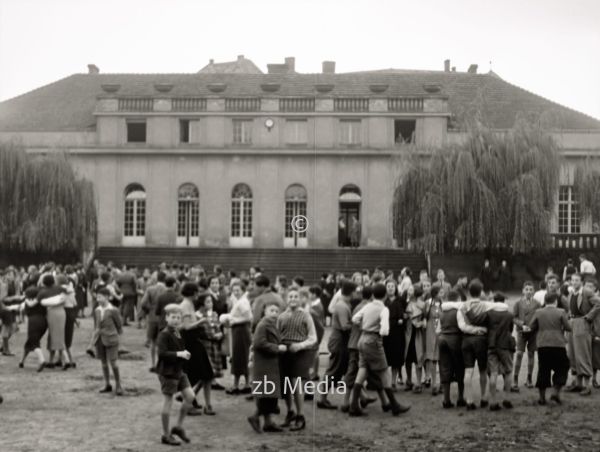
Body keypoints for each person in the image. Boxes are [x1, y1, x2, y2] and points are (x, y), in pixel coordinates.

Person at [349, 283, 410, 417]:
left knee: (363, 369)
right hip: (374, 340)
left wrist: (365, 326)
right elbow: (385, 330)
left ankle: (354, 405)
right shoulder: (384, 309)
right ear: (385, 295)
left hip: (362, 338)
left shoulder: (367, 306)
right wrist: (378, 332)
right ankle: (394, 405)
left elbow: (355, 319)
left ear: (373, 295)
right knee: (383, 372)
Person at [457, 279, 508, 410]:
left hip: (466, 340)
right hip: (481, 341)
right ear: (480, 293)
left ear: (469, 291)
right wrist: (481, 329)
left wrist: (472, 329)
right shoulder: (486, 305)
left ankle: (469, 400)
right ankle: (483, 397)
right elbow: (503, 307)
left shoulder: (462, 306)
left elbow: (461, 325)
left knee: (468, 371)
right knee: (483, 371)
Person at [277, 288, 317, 431]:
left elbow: (313, 338)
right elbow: (277, 335)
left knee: (296, 383)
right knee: (286, 385)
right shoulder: (281, 317)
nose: (293, 299)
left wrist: (300, 345)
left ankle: (301, 416)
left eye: (295, 296)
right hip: (285, 352)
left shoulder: (306, 315)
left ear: (300, 299)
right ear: (286, 299)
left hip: (300, 352)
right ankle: (290, 413)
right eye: (290, 296)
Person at [156, 303, 195, 446]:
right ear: (167, 318)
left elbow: (179, 349)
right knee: (168, 402)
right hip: (168, 372)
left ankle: (178, 427)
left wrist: (184, 355)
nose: (176, 320)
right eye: (173, 317)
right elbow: (162, 354)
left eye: (178, 317)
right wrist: (180, 354)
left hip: (178, 371)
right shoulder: (164, 334)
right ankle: (165, 435)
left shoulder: (177, 332)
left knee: (190, 396)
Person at [248, 302, 287, 433]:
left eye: (277, 311)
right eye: (272, 311)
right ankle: (255, 416)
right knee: (267, 395)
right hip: (264, 365)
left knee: (269, 393)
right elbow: (259, 343)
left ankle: (268, 423)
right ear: (265, 312)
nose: (275, 313)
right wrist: (277, 348)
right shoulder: (263, 325)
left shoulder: (272, 325)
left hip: (270, 364)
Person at [529, 293, 572, 405]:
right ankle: (555, 392)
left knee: (543, 370)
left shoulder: (538, 312)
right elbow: (568, 328)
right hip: (558, 344)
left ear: (545, 301)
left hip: (543, 344)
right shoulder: (561, 312)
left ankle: (542, 398)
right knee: (562, 367)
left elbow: (531, 326)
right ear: (555, 301)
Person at [178, 283, 214, 415]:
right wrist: (202, 321)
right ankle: (189, 403)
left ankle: (195, 402)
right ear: (192, 293)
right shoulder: (186, 305)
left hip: (192, 341)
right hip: (191, 342)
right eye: (196, 292)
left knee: (203, 374)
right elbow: (187, 326)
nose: (198, 295)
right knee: (199, 375)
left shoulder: (187, 304)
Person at [317, 281, 353, 410]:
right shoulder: (342, 306)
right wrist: (356, 323)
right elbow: (344, 326)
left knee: (344, 368)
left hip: (339, 340)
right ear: (351, 292)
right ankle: (322, 399)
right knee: (334, 369)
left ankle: (362, 397)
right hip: (339, 340)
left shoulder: (342, 304)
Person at [565, 274, 598, 395]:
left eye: (576, 280)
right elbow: (570, 309)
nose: (574, 282)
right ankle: (578, 384)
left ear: (581, 282)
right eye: (572, 280)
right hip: (572, 324)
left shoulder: (586, 292)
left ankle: (587, 386)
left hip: (582, 323)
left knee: (583, 353)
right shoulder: (571, 293)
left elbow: (598, 303)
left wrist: (589, 317)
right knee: (572, 354)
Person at [484, 293, 515, 411]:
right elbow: (511, 329)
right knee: (508, 371)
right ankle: (506, 398)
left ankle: (493, 401)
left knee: (493, 372)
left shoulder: (489, 314)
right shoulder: (509, 315)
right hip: (505, 345)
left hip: (491, 344)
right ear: (503, 301)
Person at [92, 287, 124, 395]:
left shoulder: (113, 310)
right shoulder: (97, 310)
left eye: (100, 297)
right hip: (100, 339)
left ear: (107, 297)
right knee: (103, 363)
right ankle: (107, 384)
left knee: (113, 363)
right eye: (97, 297)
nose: (98, 299)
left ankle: (118, 385)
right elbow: (96, 326)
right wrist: (93, 341)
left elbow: (119, 326)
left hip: (111, 339)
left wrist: (120, 341)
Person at [438, 291, 466, 408]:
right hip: (455, 340)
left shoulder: (442, 311)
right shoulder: (458, 310)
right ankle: (460, 398)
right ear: (458, 298)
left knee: (445, 368)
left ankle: (446, 399)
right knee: (459, 367)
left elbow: (438, 329)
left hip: (442, 339)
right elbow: (462, 327)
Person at [511, 281, 541, 391]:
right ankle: (515, 379)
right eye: (526, 289)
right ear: (523, 291)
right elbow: (513, 318)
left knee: (531, 354)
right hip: (521, 332)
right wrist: (522, 325)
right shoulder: (518, 303)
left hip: (533, 333)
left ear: (533, 291)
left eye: (531, 289)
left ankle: (529, 378)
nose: (528, 292)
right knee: (519, 354)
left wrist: (533, 327)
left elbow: (539, 316)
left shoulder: (537, 304)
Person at [224, 281, 253, 395]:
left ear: (242, 290)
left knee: (238, 356)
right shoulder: (240, 300)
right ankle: (246, 384)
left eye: (238, 290)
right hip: (240, 330)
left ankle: (236, 385)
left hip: (240, 330)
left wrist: (234, 320)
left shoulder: (242, 302)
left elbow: (248, 317)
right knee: (243, 356)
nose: (236, 292)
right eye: (234, 290)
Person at [39, 275, 71, 369]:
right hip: (61, 312)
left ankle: (66, 360)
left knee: (55, 336)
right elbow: (68, 292)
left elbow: (39, 301)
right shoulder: (60, 288)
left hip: (52, 313)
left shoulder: (43, 292)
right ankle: (52, 360)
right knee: (56, 336)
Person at [140, 271, 167, 372]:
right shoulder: (166, 290)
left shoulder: (150, 289)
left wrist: (149, 310)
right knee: (163, 343)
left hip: (152, 317)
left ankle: (153, 363)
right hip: (164, 318)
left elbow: (143, 303)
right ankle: (161, 364)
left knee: (153, 342)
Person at [383, 279, 407, 389]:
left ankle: (393, 381)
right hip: (385, 333)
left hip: (398, 333)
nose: (391, 288)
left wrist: (403, 318)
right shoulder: (383, 301)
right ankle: (386, 382)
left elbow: (406, 313)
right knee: (385, 358)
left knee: (396, 359)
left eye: (392, 286)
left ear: (396, 288)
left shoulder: (401, 300)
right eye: (388, 286)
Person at [19, 287, 47, 371]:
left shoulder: (27, 302)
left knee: (34, 342)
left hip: (33, 322)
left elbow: (22, 311)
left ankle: (41, 360)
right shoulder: (41, 301)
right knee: (30, 341)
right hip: (43, 322)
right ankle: (21, 361)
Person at [424, 286, 442, 395]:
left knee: (439, 357)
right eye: (440, 292)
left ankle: (440, 383)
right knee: (432, 357)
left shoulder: (443, 303)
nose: (442, 294)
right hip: (430, 330)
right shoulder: (428, 303)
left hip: (440, 330)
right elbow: (424, 316)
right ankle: (433, 383)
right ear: (435, 293)